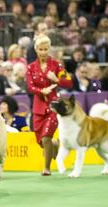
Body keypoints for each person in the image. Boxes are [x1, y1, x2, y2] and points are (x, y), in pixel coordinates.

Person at [26, 34, 73, 176]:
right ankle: (55, 144)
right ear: (36, 49)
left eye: (46, 49)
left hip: (54, 106)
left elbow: (69, 83)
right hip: (38, 107)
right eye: (40, 49)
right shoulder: (31, 67)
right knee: (41, 141)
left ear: (49, 49)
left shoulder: (56, 64)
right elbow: (29, 87)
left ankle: (46, 168)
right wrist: (41, 90)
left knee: (46, 137)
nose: (43, 52)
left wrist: (56, 80)